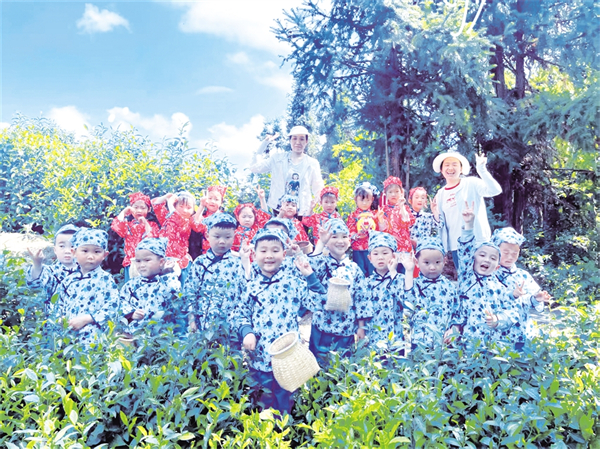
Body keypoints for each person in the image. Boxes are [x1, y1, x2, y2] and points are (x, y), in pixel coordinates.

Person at [230, 228, 325, 414]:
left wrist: (310, 276)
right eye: (263, 250)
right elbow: (239, 314)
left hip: (287, 359)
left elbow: (318, 303)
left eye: (275, 250)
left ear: (283, 254)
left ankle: (285, 429)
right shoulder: (251, 287)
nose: (269, 255)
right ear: (254, 255)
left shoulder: (292, 283)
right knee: (261, 402)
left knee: (286, 401)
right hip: (259, 358)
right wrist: (246, 332)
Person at [452, 202, 523, 351]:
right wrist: (469, 225)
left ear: (497, 266)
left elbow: (512, 312)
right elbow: (465, 249)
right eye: (482, 255)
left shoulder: (500, 287)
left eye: (493, 258)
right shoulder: (467, 276)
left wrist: (498, 320)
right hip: (468, 344)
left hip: (493, 345)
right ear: (473, 259)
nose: (487, 260)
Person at [307, 219, 367, 364]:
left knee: (342, 367)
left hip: (346, 328)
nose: (340, 241)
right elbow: (310, 268)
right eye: (334, 236)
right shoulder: (322, 263)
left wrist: (361, 326)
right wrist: (321, 243)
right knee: (318, 366)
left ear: (349, 241)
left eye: (344, 236)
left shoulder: (354, 268)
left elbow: (361, 298)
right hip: (322, 327)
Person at [432, 151, 502, 269]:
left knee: (483, 276)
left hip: (478, 241)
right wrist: (443, 249)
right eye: (447, 165)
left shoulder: (471, 183)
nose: (450, 168)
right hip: (457, 246)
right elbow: (441, 225)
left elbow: (495, 190)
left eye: (454, 164)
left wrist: (482, 170)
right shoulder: (441, 194)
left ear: (461, 169)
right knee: (464, 278)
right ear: (441, 170)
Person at [184, 213, 245, 335]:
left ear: (234, 237)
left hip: (229, 327)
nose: (222, 241)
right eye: (217, 236)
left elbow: (243, 296)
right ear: (207, 236)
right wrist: (192, 320)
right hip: (202, 325)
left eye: (227, 237)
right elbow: (190, 292)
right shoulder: (200, 263)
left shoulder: (238, 264)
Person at [56, 228, 119, 347]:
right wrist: (62, 319)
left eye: (96, 252)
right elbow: (59, 304)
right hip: (68, 334)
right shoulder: (68, 281)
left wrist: (87, 319)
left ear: (104, 255)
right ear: (74, 252)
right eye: (85, 251)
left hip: (93, 337)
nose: (90, 256)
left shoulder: (105, 280)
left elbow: (113, 306)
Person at [491, 227, 551, 342]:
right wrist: (511, 295)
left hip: (523, 332)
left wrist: (536, 298)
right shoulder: (489, 275)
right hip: (498, 335)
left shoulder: (523, 275)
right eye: (505, 252)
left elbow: (528, 302)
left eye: (515, 253)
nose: (510, 257)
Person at [249, 126, 324, 217]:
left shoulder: (312, 163)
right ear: (290, 140)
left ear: (306, 141)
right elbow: (255, 167)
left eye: (301, 139)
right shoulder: (277, 159)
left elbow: (318, 187)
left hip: (302, 211)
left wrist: (318, 205)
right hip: (279, 209)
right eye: (294, 138)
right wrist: (265, 143)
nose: (298, 142)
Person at [400, 237, 459, 350]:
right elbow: (408, 303)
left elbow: (457, 313)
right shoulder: (414, 285)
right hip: (420, 343)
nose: (432, 267)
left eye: (437, 262)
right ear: (417, 262)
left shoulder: (449, 287)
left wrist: (454, 330)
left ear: (444, 261)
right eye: (426, 262)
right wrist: (409, 271)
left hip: (443, 345)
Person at [119, 238, 181, 337]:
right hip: (135, 335)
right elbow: (121, 302)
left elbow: (174, 292)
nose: (142, 265)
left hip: (161, 336)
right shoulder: (132, 285)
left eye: (147, 260)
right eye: (138, 261)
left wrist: (167, 273)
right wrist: (131, 314)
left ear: (161, 262)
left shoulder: (166, 281)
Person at [356, 232, 408, 349]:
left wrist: (393, 272)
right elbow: (362, 306)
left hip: (395, 337)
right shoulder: (367, 283)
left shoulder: (400, 279)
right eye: (375, 253)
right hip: (373, 338)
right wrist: (361, 328)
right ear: (370, 258)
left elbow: (405, 300)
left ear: (393, 256)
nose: (380, 257)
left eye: (385, 253)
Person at [26, 224, 79, 314]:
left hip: (82, 320)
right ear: (55, 250)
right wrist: (37, 264)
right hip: (55, 319)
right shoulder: (51, 271)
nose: (67, 251)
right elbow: (34, 284)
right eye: (62, 246)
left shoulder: (88, 272)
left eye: (72, 246)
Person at [151, 191, 202, 279]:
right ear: (175, 206)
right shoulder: (167, 218)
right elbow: (156, 205)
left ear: (193, 210)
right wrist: (166, 196)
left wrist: (170, 204)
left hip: (180, 261)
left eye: (189, 207)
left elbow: (176, 218)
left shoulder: (188, 222)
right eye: (181, 206)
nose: (184, 210)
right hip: (163, 259)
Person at [111, 192, 159, 281]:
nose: (139, 211)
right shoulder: (128, 225)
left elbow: (152, 240)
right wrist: (124, 212)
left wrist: (145, 223)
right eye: (136, 207)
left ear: (148, 209)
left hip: (147, 263)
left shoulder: (152, 225)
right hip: (131, 262)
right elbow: (116, 227)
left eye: (143, 208)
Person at [347, 182, 384, 276]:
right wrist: (355, 235)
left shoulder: (375, 214)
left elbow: (381, 230)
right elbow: (350, 228)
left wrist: (380, 221)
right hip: (357, 248)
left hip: (372, 248)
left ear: (372, 199)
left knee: (373, 270)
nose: (364, 203)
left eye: (367, 200)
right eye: (361, 200)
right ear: (356, 199)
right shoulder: (353, 216)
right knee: (359, 270)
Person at [189, 185, 227, 259]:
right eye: (210, 198)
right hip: (203, 255)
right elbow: (195, 225)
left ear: (221, 202)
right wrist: (202, 206)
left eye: (216, 199)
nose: (212, 201)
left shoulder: (224, 218)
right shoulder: (203, 216)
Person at [379, 176, 415, 254]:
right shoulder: (383, 210)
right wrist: (381, 220)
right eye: (390, 192)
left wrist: (402, 207)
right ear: (386, 194)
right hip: (389, 245)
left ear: (401, 193)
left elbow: (408, 222)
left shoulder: (405, 208)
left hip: (404, 245)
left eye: (396, 191)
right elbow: (382, 229)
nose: (393, 194)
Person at [232, 187, 271, 253]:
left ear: (254, 217)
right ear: (238, 218)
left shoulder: (257, 229)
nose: (247, 219)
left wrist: (262, 198)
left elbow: (264, 215)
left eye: (250, 217)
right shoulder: (234, 233)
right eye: (244, 217)